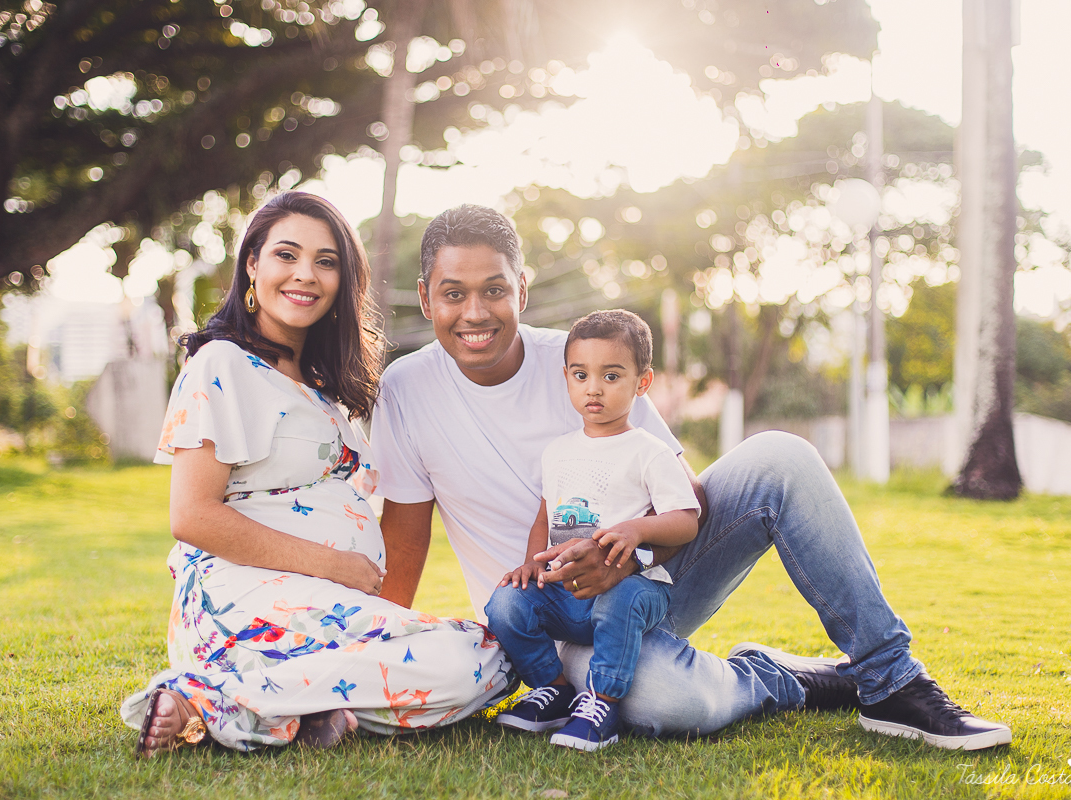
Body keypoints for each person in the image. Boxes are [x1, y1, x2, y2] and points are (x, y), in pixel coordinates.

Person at [370, 204, 1012, 751]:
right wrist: (371, 657)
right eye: (453, 293)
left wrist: (628, 555)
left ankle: (891, 680)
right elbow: (403, 540)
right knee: (664, 698)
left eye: (494, 290)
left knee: (782, 458)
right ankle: (778, 678)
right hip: (548, 622)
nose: (475, 312)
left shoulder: (582, 361)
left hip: (649, 580)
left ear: (522, 291)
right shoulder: (406, 389)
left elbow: (687, 494)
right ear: (425, 298)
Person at [120, 192, 513, 758]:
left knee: (488, 658)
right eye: (286, 255)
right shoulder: (222, 363)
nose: (305, 274)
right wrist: (334, 565)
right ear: (252, 264)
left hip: (322, 607)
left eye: (325, 261)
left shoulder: (328, 385)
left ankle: (293, 708)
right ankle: (205, 697)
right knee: (477, 658)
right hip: (244, 599)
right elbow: (193, 516)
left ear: (342, 280)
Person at [486, 310, 701, 751]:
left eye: (612, 376)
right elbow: (545, 517)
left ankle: (602, 704)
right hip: (567, 593)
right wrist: (531, 565)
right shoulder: (557, 451)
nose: (594, 388)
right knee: (506, 602)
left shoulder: (649, 451)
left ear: (642, 382)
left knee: (621, 600)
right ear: (566, 377)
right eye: (581, 375)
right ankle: (555, 690)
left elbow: (686, 520)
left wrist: (636, 530)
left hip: (634, 589)